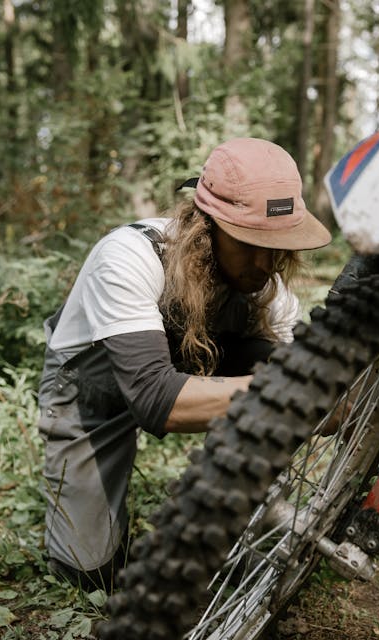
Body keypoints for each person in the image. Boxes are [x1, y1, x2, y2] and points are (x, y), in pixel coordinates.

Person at [37, 137, 331, 590]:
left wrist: (331, 395)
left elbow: (298, 403)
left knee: (284, 373)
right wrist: (289, 387)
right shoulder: (128, 257)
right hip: (92, 388)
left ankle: (250, 508)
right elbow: (158, 400)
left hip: (194, 369)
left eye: (278, 244)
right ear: (205, 225)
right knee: (88, 574)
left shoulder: (270, 294)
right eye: (250, 241)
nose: (266, 262)